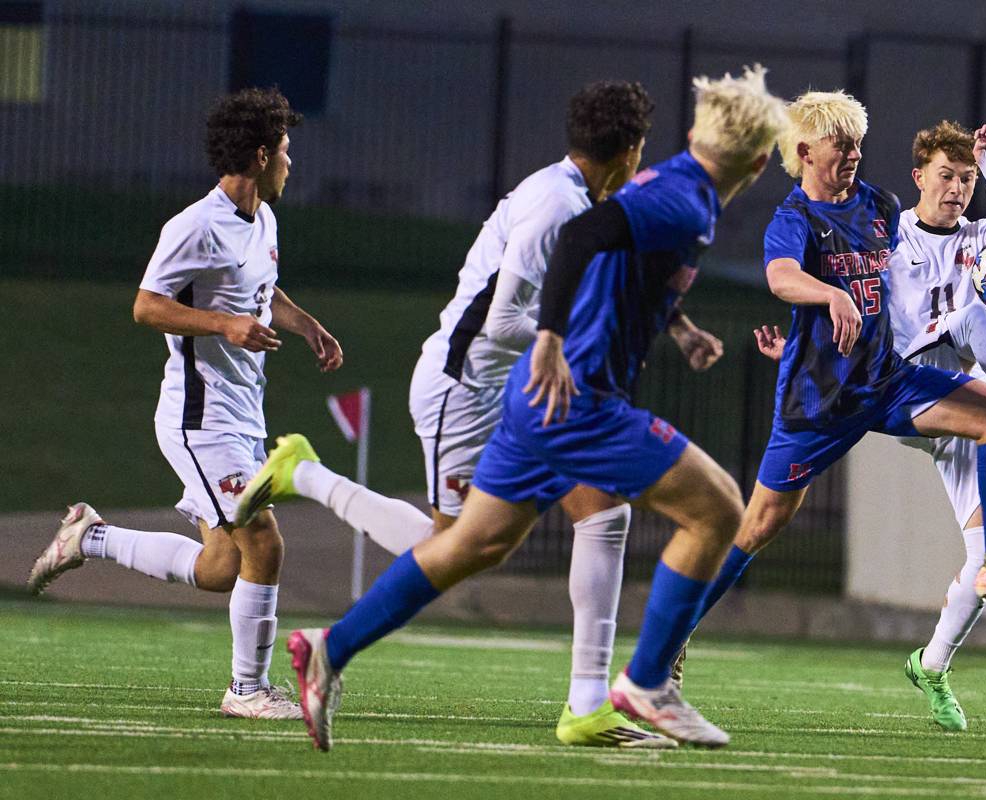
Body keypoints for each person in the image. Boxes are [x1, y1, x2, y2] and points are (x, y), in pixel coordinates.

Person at [277, 64, 788, 752]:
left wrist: (676, 325)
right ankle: (646, 685)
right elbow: (582, 241)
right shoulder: (682, 204)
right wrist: (548, 338)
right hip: (576, 402)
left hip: (529, 400)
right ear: (760, 163)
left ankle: (331, 647)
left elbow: (619, 260)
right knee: (720, 507)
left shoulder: (670, 183)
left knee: (471, 543)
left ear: (696, 133)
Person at [671, 90, 986, 708]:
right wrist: (823, 308)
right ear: (806, 152)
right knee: (759, 524)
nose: (856, 153)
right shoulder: (794, 217)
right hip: (820, 398)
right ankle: (674, 636)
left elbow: (892, 294)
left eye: (859, 141)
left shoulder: (879, 205)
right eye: (843, 143)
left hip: (886, 379)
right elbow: (781, 277)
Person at [750, 119, 986, 731]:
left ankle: (931, 664)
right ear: (919, 177)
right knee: (971, 318)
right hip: (899, 386)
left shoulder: (977, 236)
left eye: (966, 180)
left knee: (984, 565)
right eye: (948, 175)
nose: (957, 189)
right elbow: (846, 294)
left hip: (958, 405)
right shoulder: (891, 233)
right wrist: (803, 352)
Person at [26, 87, 342, 720]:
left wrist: (305, 324)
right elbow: (147, 305)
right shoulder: (193, 225)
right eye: (284, 151)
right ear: (259, 155)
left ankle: (93, 537)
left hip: (242, 416)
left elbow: (261, 290)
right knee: (265, 543)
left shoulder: (265, 220)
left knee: (224, 567)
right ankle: (247, 690)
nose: (290, 163)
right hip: (200, 420)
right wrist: (223, 326)